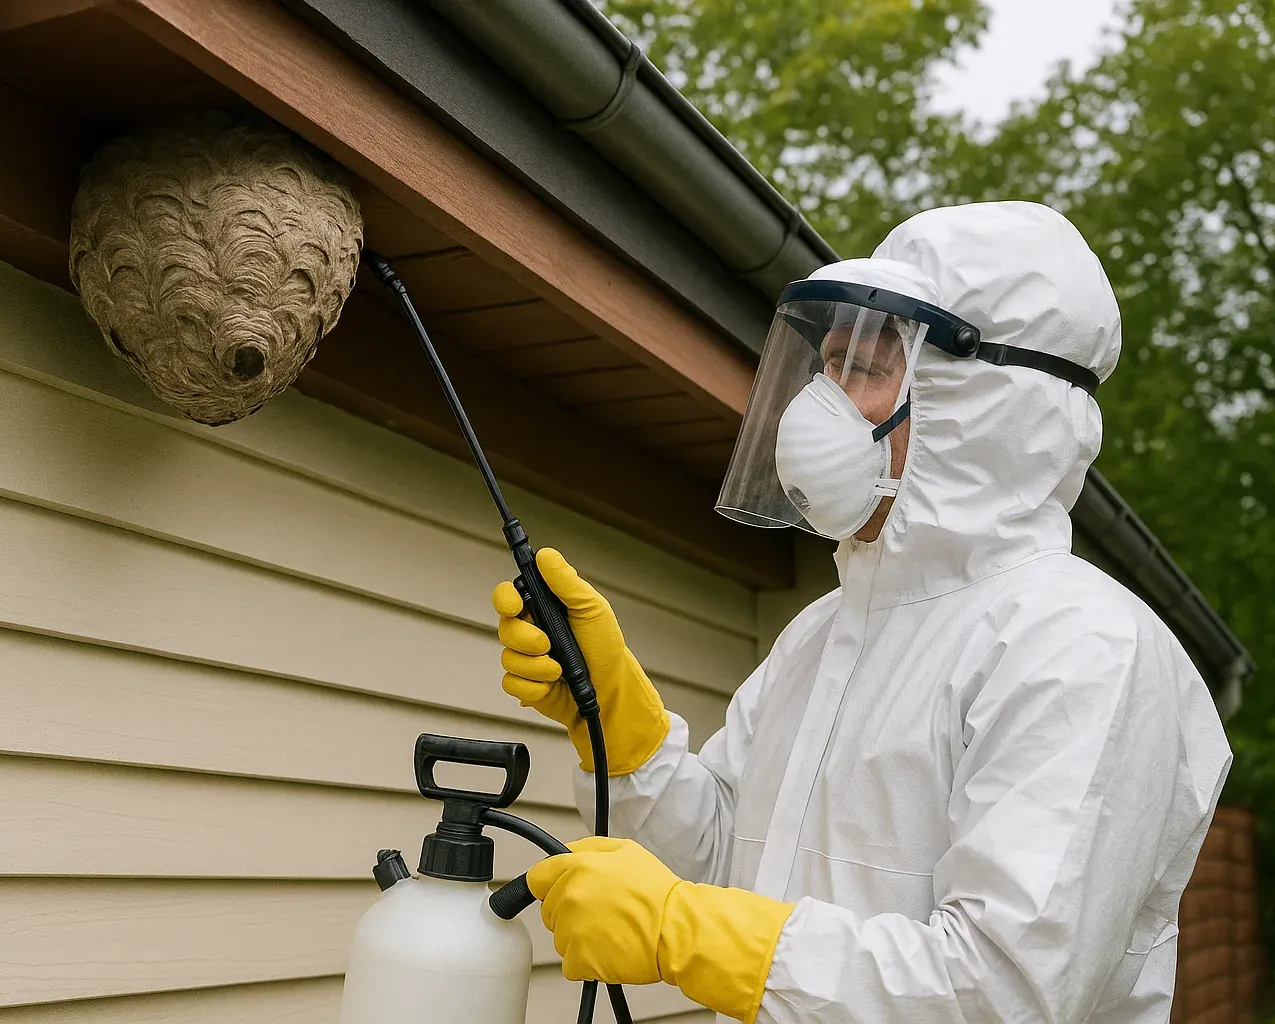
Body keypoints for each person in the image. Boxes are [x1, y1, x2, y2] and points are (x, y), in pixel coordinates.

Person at [492, 202, 1232, 1024]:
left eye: (867, 369)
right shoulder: (826, 630)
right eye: (828, 365)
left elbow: (1005, 990)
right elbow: (726, 866)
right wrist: (622, 732)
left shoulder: (1080, 647)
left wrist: (689, 934)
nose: (821, 403)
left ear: (982, 403)